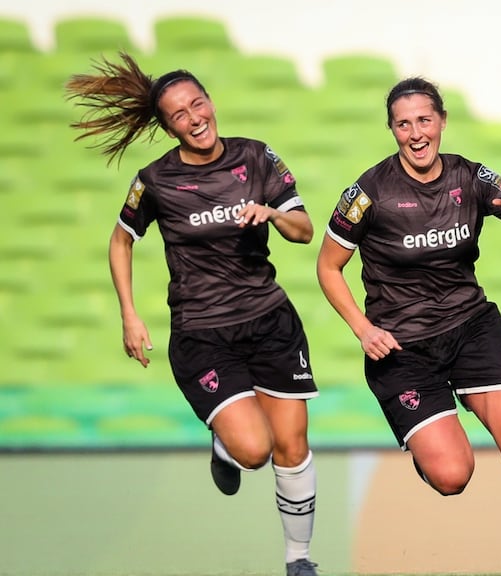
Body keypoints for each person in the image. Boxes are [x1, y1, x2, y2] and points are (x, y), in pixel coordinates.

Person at [316, 76, 501, 576]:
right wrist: (362, 328)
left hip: (471, 328)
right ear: (392, 130)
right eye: (404, 124)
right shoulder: (368, 192)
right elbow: (328, 266)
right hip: (402, 349)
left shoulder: (472, 177)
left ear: (441, 121)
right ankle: (429, 451)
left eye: (425, 120)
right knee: (452, 475)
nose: (416, 133)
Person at [66, 52, 321, 576]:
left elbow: (304, 230)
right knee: (255, 450)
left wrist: (272, 214)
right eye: (179, 114)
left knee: (292, 445)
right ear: (168, 128)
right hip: (203, 333)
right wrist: (129, 315)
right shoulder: (155, 180)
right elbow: (120, 241)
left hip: (271, 322)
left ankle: (299, 561)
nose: (194, 118)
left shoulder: (256, 156)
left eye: (197, 103)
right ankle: (225, 443)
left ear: (211, 102)